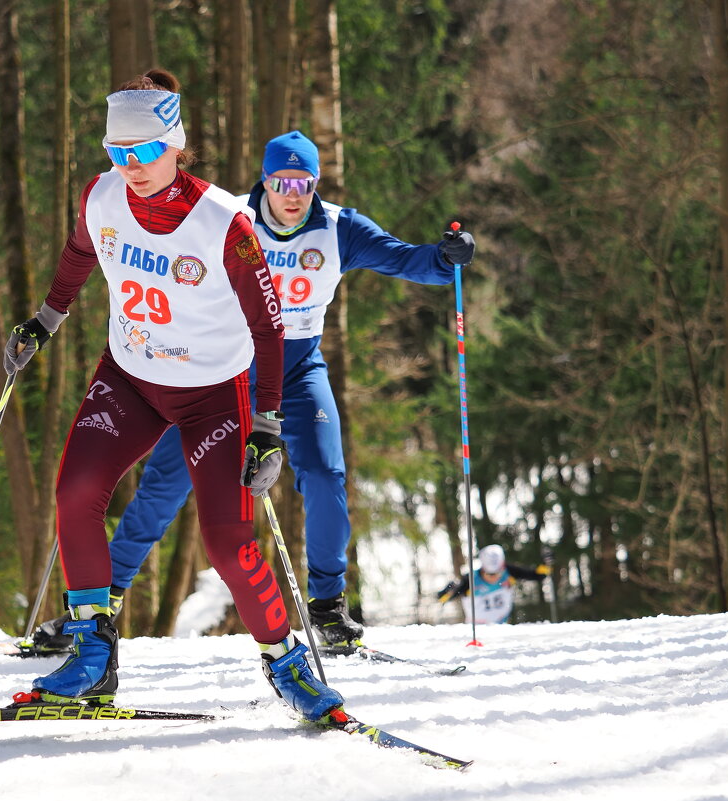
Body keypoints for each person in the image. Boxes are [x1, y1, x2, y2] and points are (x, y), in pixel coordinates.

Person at [26, 130, 477, 655]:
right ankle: (100, 605)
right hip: (224, 374)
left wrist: (446, 260)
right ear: (264, 180)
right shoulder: (228, 219)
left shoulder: (338, 229)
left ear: (315, 185)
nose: (292, 194)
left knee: (325, 472)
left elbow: (405, 260)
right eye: (282, 182)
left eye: (304, 184)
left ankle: (328, 606)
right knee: (164, 485)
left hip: (296, 369)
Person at [1, 70, 343, 723]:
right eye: (117, 152)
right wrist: (43, 321)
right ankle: (93, 652)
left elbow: (269, 327)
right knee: (75, 492)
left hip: (213, 392)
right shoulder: (100, 197)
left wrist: (267, 424)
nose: (130, 166)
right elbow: (79, 252)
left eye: (144, 151)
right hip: (128, 376)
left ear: (175, 144)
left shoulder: (224, 221)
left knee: (226, 540)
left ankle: (285, 660)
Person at [436, 544, 552, 624]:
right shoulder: (470, 580)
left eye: (498, 572)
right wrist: (448, 590)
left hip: (502, 625)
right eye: (490, 574)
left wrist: (547, 564)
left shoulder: (509, 571)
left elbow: (537, 575)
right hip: (478, 628)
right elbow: (444, 597)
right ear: (482, 569)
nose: (495, 577)